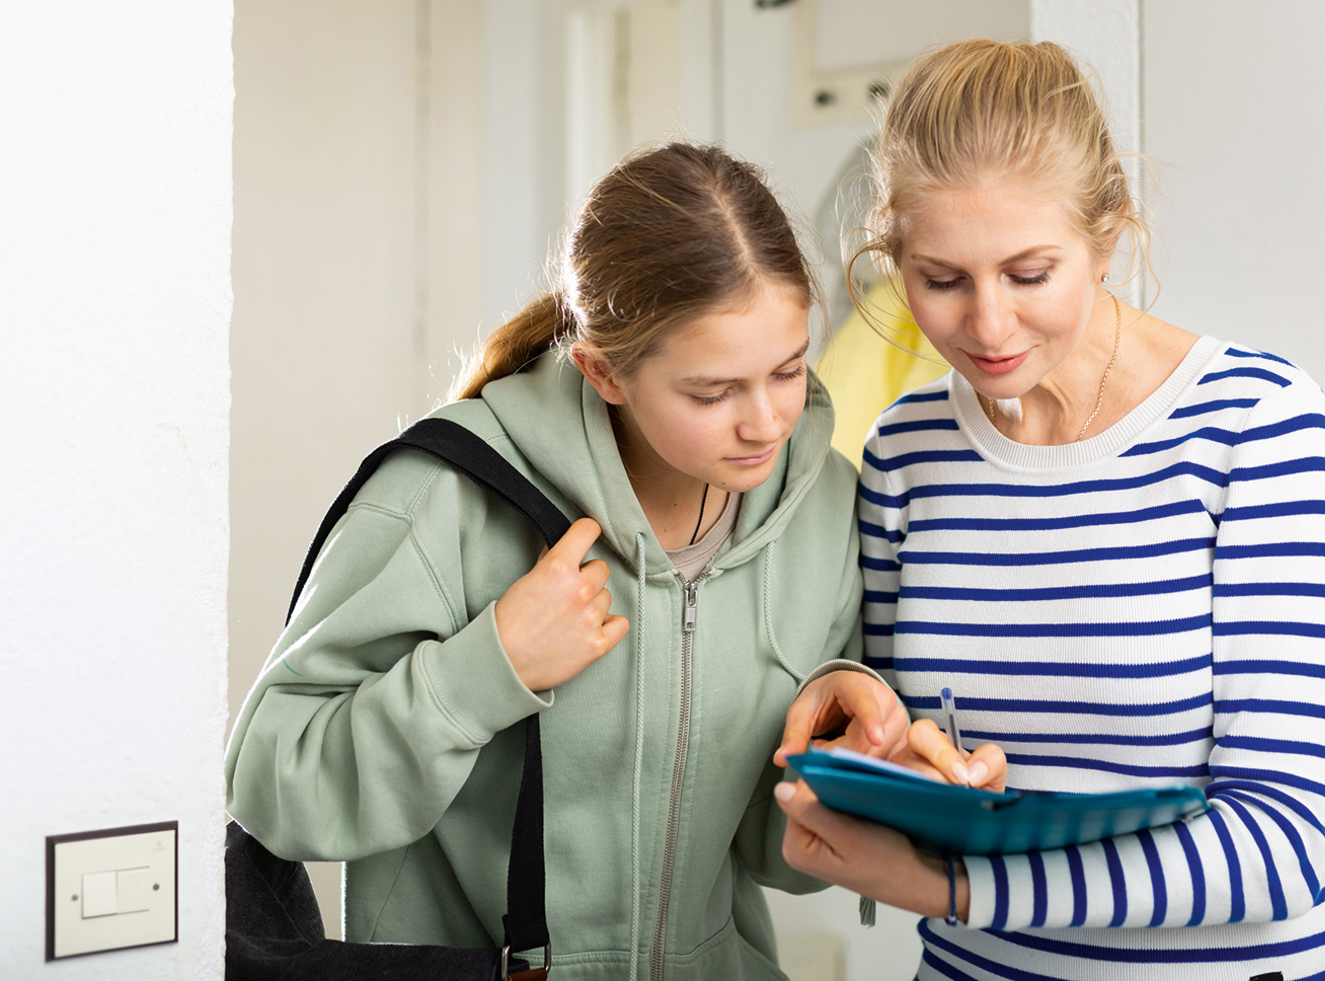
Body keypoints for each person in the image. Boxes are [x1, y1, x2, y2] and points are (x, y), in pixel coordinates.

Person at [225, 141, 905, 981]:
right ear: (603, 372)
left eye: (787, 371)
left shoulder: (824, 504)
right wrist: (488, 669)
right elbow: (272, 789)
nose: (766, 422)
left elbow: (782, 861)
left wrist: (844, 761)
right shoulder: (444, 496)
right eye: (712, 391)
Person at [772, 40, 1325, 981]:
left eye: (1029, 274)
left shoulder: (1255, 425)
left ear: (1108, 236)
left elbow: (1281, 846)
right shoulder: (903, 452)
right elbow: (909, 746)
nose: (988, 325)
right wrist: (900, 766)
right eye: (941, 279)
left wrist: (959, 890)